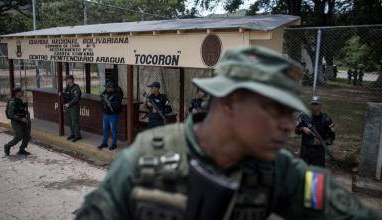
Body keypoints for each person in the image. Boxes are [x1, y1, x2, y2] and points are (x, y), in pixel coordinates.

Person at [75, 47, 381, 220]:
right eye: (275, 110)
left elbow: (339, 207)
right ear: (232, 101)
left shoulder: (277, 168)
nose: (289, 125)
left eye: (290, 113)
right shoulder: (144, 161)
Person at [296, 96, 335, 167]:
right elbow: (296, 130)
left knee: (316, 176)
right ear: (310, 105)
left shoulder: (326, 120)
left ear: (320, 105)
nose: (314, 106)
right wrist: (303, 129)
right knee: (302, 174)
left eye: (316, 104)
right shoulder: (304, 117)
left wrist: (321, 142)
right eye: (313, 104)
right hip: (305, 150)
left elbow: (331, 138)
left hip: (319, 152)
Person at [4, 87, 31, 156]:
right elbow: (10, 114)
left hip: (24, 120)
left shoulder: (20, 100)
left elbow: (22, 109)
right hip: (17, 122)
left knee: (27, 136)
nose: (22, 93)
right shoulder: (12, 102)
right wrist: (20, 119)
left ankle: (22, 149)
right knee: (19, 136)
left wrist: (25, 104)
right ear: (17, 93)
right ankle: (8, 145)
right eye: (21, 92)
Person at [97, 81, 124, 150]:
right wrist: (103, 100)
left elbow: (117, 104)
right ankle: (104, 143)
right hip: (106, 113)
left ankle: (114, 144)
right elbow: (102, 97)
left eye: (107, 87)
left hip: (113, 114)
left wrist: (109, 103)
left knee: (113, 130)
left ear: (111, 88)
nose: (106, 89)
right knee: (105, 129)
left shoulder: (118, 94)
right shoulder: (106, 91)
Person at [62, 75, 82, 142]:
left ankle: (77, 135)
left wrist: (69, 104)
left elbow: (76, 98)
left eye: (67, 80)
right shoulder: (67, 87)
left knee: (74, 122)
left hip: (74, 107)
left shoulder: (76, 88)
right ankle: (72, 134)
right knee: (70, 121)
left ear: (71, 80)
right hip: (68, 107)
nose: (66, 81)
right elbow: (65, 95)